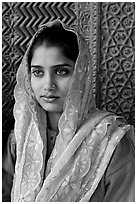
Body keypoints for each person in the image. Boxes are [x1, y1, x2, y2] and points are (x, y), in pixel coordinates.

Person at [2, 20, 135, 202]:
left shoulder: (113, 141)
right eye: (38, 72)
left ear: (81, 73)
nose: (48, 85)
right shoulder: (20, 140)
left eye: (61, 72)